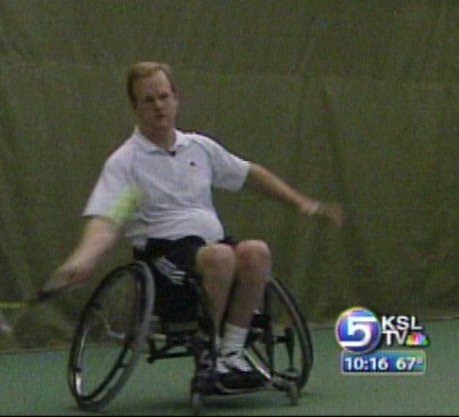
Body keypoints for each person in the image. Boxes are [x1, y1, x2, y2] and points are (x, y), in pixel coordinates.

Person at [41, 61, 344, 392]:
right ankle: (210, 354)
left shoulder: (199, 148)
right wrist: (82, 260)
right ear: (135, 107)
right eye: (149, 100)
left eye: (164, 97)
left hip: (210, 248)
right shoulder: (127, 163)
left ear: (176, 99)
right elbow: (108, 222)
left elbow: (250, 175)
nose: (159, 106)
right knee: (221, 258)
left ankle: (231, 351)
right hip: (164, 259)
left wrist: (303, 203)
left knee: (256, 252)